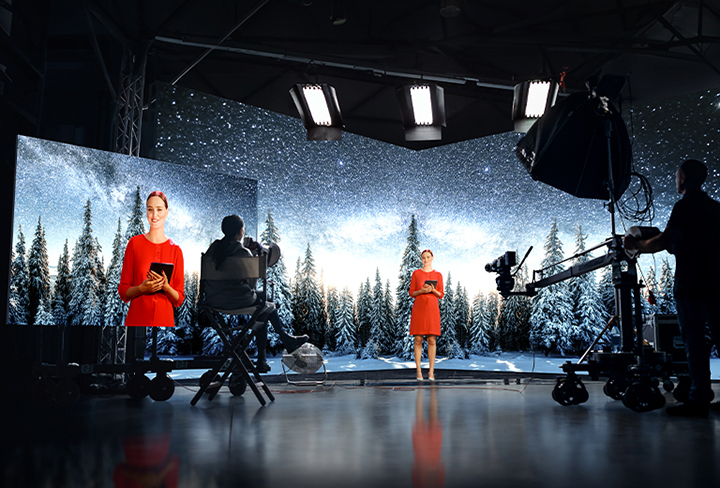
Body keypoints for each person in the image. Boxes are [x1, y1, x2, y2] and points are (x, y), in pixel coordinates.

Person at [624, 159, 720, 417]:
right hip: (717, 283)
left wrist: (637, 245)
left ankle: (699, 399)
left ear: (685, 178)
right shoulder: (715, 208)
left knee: (695, 342)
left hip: (691, 285)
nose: (676, 180)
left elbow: (668, 239)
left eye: (677, 175)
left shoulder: (684, 206)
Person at [204, 215, 308, 372]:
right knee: (265, 303)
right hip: (238, 300)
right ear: (240, 231)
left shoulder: (213, 248)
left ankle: (267, 355)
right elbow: (251, 286)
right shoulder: (243, 253)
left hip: (213, 300)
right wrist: (255, 257)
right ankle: (268, 354)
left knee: (263, 306)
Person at [119, 191, 185, 359]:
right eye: (150, 209)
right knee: (133, 368)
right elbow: (123, 290)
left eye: (159, 209)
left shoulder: (176, 250)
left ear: (167, 212)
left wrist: (166, 287)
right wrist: (141, 288)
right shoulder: (134, 244)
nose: (154, 215)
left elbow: (179, 299)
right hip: (137, 319)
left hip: (165, 320)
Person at [409, 249, 444, 381]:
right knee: (418, 339)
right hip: (419, 308)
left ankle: (431, 371)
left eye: (428, 257)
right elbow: (411, 292)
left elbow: (441, 294)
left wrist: (433, 290)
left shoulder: (438, 275)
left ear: (432, 257)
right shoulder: (416, 274)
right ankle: (418, 371)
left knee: (432, 340)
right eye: (423, 258)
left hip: (432, 309)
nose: (425, 260)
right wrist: (421, 291)